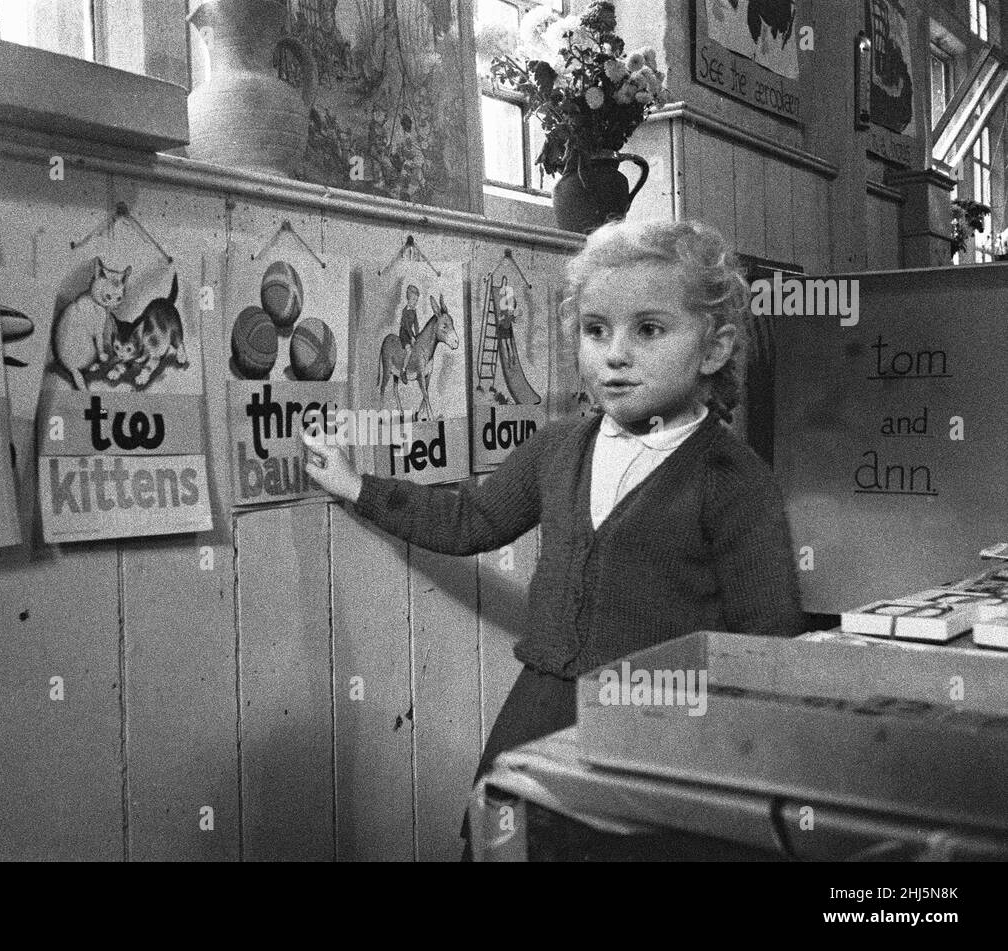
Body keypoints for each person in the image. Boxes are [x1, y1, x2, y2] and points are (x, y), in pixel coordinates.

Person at [301, 218, 804, 860]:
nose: (615, 353)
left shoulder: (733, 479)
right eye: (595, 330)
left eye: (648, 329)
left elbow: (768, 641)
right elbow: (471, 520)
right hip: (543, 709)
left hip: (667, 729)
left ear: (712, 347)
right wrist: (359, 487)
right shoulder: (559, 449)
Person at [398, 284, 421, 379]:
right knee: (409, 351)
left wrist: (417, 335)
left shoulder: (414, 311)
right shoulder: (405, 311)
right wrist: (411, 337)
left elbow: (416, 324)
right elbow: (407, 326)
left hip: (411, 333)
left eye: (416, 300)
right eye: (413, 300)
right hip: (404, 334)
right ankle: (403, 370)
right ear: (408, 299)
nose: (415, 302)